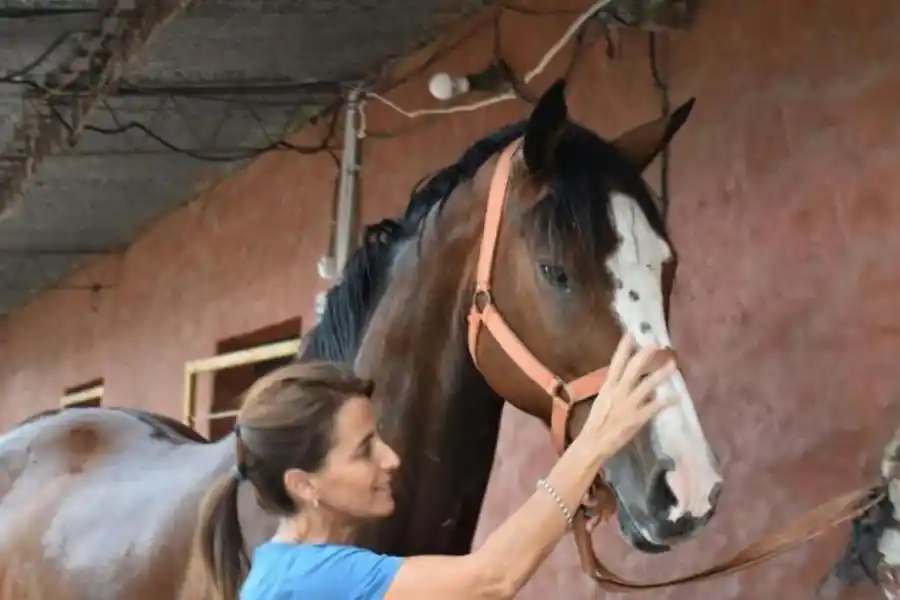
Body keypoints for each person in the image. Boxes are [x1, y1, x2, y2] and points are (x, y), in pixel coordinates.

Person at [196, 334, 677, 600]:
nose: (391, 458)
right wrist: (592, 444)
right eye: (364, 450)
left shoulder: (291, 572)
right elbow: (490, 579)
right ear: (304, 485)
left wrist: (570, 495)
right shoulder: (310, 580)